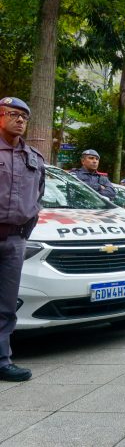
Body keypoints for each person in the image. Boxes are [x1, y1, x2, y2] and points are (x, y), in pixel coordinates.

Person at [0, 97, 45, 382]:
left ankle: (2, 360)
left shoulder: (34, 158)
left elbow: (37, 198)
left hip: (15, 241)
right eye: (14, 114)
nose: (20, 120)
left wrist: (22, 234)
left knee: (6, 305)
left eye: (24, 117)